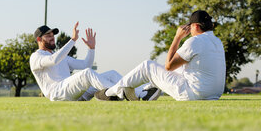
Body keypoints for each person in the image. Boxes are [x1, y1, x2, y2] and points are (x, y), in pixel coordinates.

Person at [96, 10, 226, 101]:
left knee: (147, 66)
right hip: (213, 94)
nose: (189, 31)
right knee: (181, 67)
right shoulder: (217, 41)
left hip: (194, 94)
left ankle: (111, 93)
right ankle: (147, 91)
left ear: (196, 26)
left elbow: (169, 66)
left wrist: (177, 38)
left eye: (190, 27)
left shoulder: (195, 41)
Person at [30, 22, 155, 101]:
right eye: (48, 35)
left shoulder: (61, 57)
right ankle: (130, 93)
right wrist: (73, 40)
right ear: (39, 39)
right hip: (57, 93)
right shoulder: (36, 57)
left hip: (73, 92)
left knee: (111, 73)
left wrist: (91, 49)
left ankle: (138, 92)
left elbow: (86, 65)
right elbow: (54, 60)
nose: (52, 37)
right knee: (87, 73)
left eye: (53, 34)